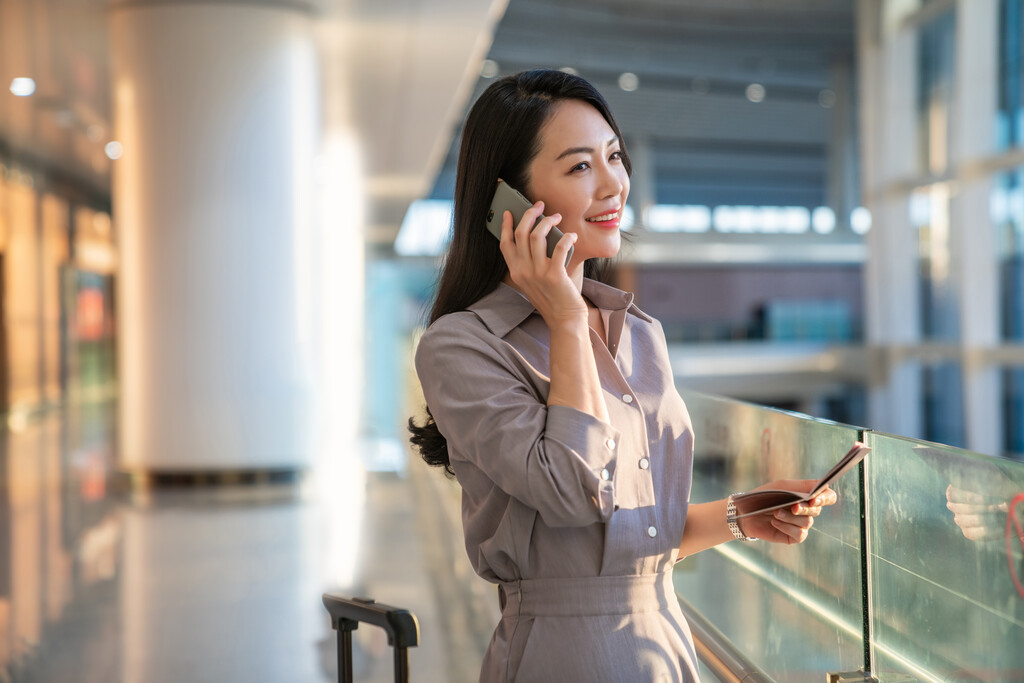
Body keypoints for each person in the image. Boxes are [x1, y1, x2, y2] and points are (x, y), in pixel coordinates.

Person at [408, 68, 838, 683]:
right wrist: (563, 316)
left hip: (665, 639)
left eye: (614, 156)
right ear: (511, 202)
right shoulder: (461, 346)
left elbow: (634, 543)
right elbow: (567, 490)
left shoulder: (638, 332)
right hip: (564, 657)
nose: (613, 183)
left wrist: (743, 515)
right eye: (580, 167)